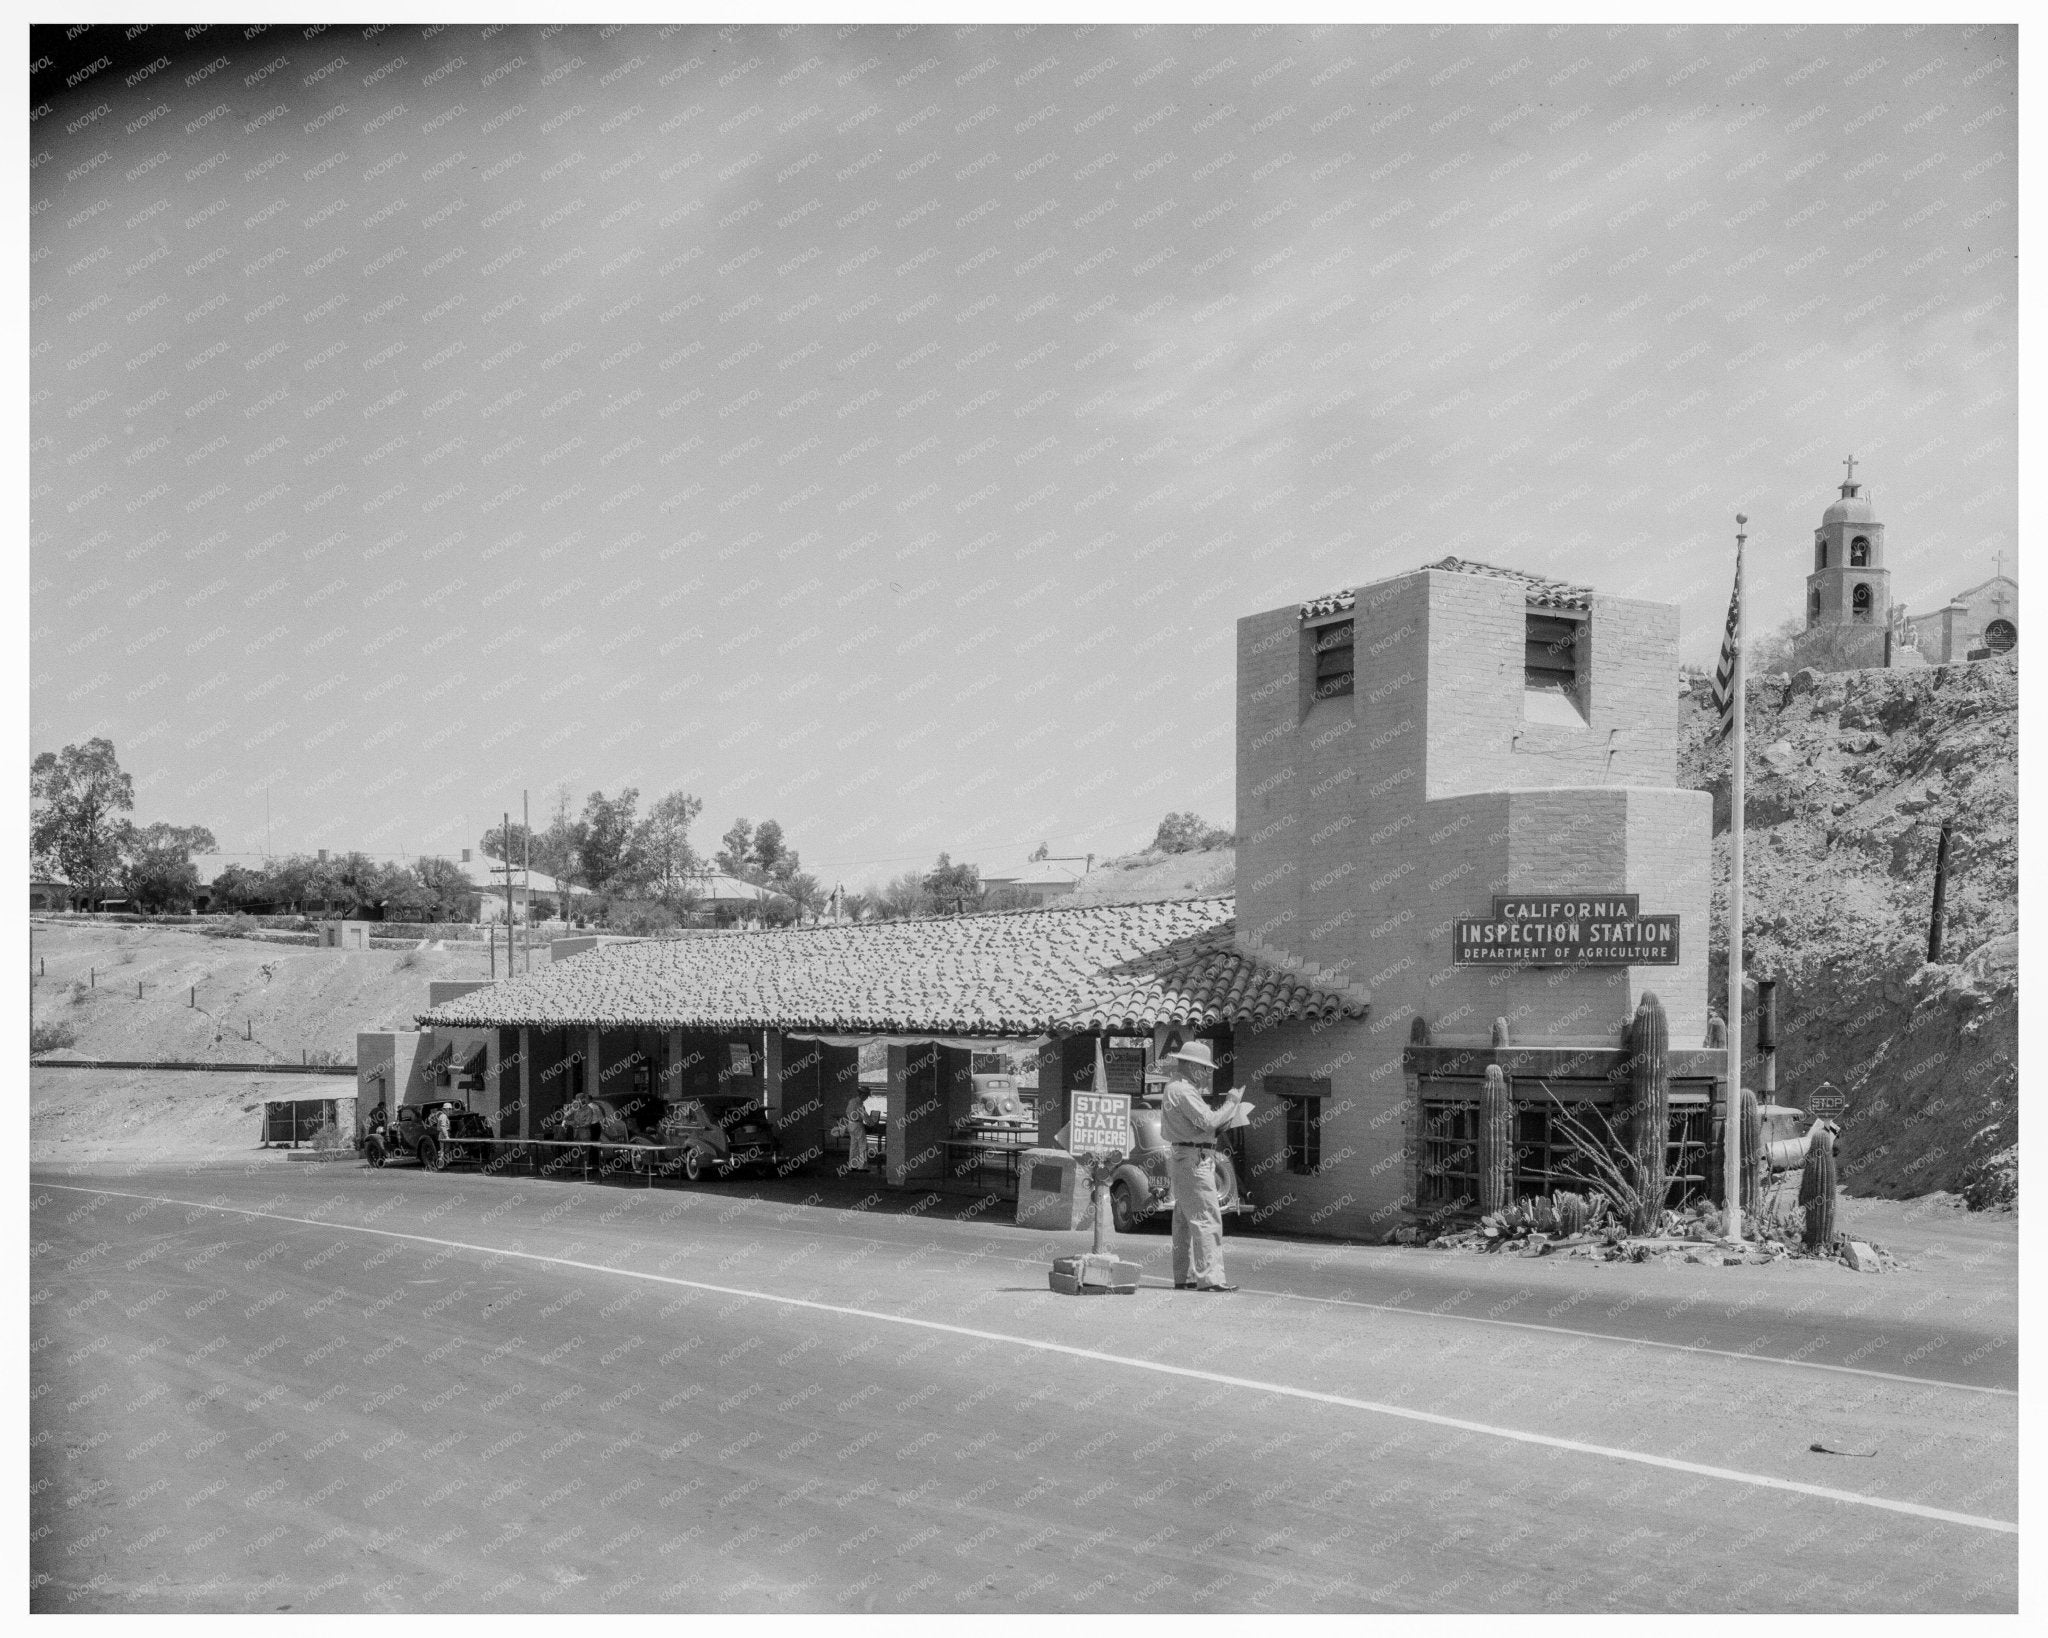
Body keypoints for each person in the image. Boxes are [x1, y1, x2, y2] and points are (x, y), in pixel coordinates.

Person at [1158, 1042, 1245, 1291]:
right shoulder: (1184, 1091)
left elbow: (1204, 1124)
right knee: (1207, 1218)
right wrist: (1232, 1103)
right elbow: (1208, 1123)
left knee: (1185, 1220)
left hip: (1184, 1156)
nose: (1207, 1073)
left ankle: (1184, 1276)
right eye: (1204, 1068)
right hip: (1194, 1158)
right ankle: (1211, 1279)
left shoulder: (1176, 1089)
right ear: (1192, 1065)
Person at [844, 1089, 870, 1172]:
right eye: (866, 1096)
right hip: (858, 1125)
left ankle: (852, 1165)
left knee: (853, 1146)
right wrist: (871, 1123)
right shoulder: (860, 1104)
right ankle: (862, 1167)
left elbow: (847, 1112)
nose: (866, 1098)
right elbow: (864, 1116)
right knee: (863, 1145)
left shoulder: (851, 1101)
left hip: (850, 1124)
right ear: (863, 1095)